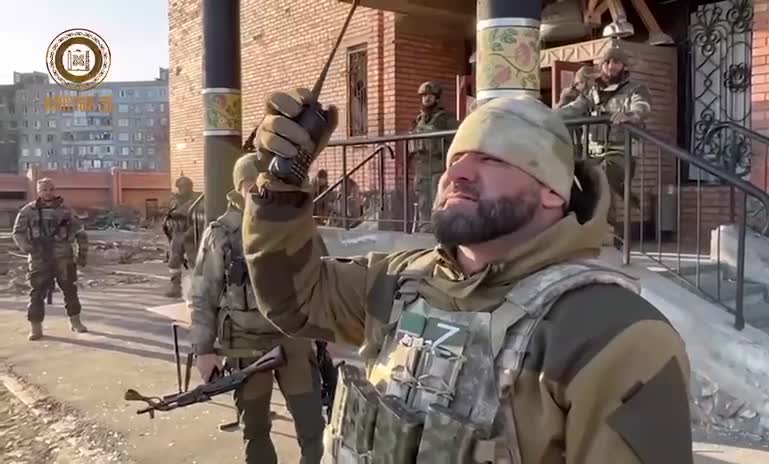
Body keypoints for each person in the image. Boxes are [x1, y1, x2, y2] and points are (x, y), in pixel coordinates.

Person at [243, 89, 693, 463]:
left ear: (553, 193)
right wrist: (281, 186)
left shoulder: (615, 335)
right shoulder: (400, 280)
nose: (456, 172)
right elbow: (295, 301)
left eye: (491, 160)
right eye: (455, 159)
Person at [189, 154, 325, 464]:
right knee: (255, 430)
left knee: (313, 427)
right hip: (246, 343)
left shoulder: (294, 224)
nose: (263, 192)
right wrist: (204, 350)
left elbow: (322, 277)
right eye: (254, 186)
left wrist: (323, 328)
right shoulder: (221, 233)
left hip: (293, 338)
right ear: (240, 189)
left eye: (269, 185)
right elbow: (202, 294)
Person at [558, 46, 652, 232]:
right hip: (593, 152)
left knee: (604, 181)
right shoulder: (592, 91)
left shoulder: (635, 88)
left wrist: (632, 114)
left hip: (621, 151)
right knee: (584, 186)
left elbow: (643, 105)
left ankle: (608, 235)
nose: (610, 66)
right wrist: (548, 116)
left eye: (616, 62)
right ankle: (594, 232)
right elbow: (574, 109)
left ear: (623, 65)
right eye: (607, 62)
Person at [13, 177, 88, 340]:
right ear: (38, 191)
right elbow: (18, 232)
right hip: (39, 258)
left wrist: (82, 256)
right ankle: (36, 328)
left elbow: (81, 233)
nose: (47, 192)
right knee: (36, 293)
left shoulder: (66, 211)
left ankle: (75, 322)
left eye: (50, 189)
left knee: (70, 291)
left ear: (55, 190)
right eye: (44, 189)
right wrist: (28, 248)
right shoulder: (28, 211)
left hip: (64, 258)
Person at [410, 81, 459, 230]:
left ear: (437, 98)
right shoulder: (418, 120)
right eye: (424, 96)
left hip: (438, 168)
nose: (426, 99)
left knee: (438, 202)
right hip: (421, 169)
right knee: (423, 203)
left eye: (430, 96)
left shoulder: (446, 119)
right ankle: (425, 231)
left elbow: (457, 139)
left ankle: (439, 231)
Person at [162, 176, 202, 298]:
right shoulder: (175, 200)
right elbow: (169, 216)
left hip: (192, 233)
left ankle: (198, 288)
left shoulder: (197, 199)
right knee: (174, 260)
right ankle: (175, 287)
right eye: (181, 187)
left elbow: (194, 212)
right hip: (177, 233)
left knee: (194, 261)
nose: (183, 189)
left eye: (185, 186)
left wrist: (179, 213)